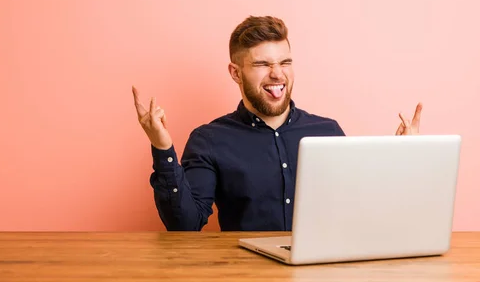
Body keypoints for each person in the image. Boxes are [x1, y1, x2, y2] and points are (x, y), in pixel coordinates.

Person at [132, 15, 422, 231]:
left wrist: (402, 159)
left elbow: (365, 213)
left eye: (285, 62)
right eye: (262, 65)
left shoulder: (328, 132)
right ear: (235, 72)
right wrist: (162, 146)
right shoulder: (210, 140)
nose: (277, 74)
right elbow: (185, 226)